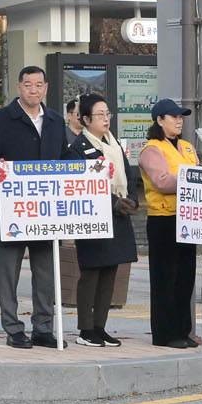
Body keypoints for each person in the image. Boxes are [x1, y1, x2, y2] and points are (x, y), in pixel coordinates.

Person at [0, 65, 68, 348]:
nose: (34, 90)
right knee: (8, 272)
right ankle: (13, 328)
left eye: (39, 85)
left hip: (46, 210)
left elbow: (66, 161)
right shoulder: (0, 119)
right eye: (28, 85)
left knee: (46, 273)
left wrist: (93, 171)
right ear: (19, 87)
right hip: (13, 209)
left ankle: (43, 328)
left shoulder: (55, 121)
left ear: (46, 88)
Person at [67, 93, 138, 347]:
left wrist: (131, 200)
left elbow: (128, 175)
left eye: (108, 114)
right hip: (93, 216)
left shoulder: (113, 144)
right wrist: (112, 202)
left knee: (110, 271)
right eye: (100, 115)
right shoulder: (78, 148)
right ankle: (86, 329)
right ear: (86, 119)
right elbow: (80, 185)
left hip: (118, 216)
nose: (106, 119)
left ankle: (100, 326)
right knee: (91, 272)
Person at [139, 98, 202, 348]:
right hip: (163, 219)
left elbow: (196, 173)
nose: (179, 121)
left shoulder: (187, 147)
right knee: (165, 278)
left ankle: (182, 331)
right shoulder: (152, 149)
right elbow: (162, 181)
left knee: (185, 278)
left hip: (188, 218)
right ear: (159, 120)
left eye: (181, 116)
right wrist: (195, 178)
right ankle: (165, 334)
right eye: (174, 116)